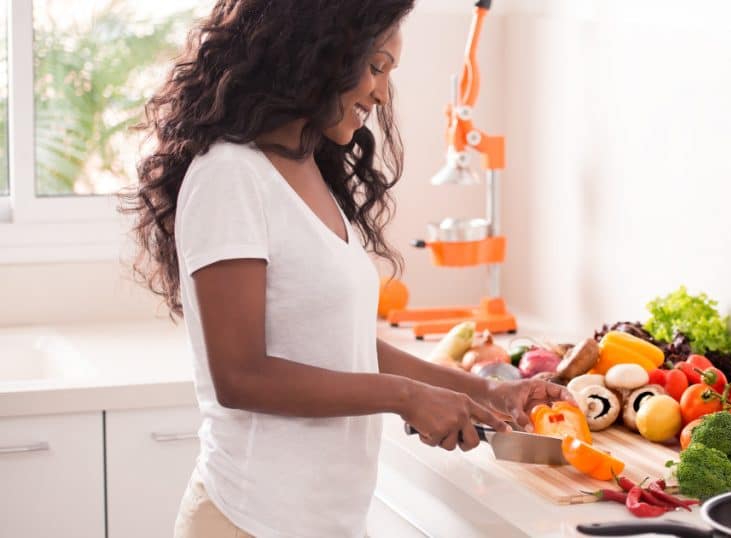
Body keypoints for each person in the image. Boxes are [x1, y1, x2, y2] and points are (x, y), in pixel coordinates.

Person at [120, 1, 573, 536]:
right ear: (318, 50)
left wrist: (485, 393)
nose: (382, 93)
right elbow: (239, 377)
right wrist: (404, 397)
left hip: (326, 522)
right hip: (250, 521)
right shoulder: (229, 175)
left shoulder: (306, 166)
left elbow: (338, 343)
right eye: (376, 66)